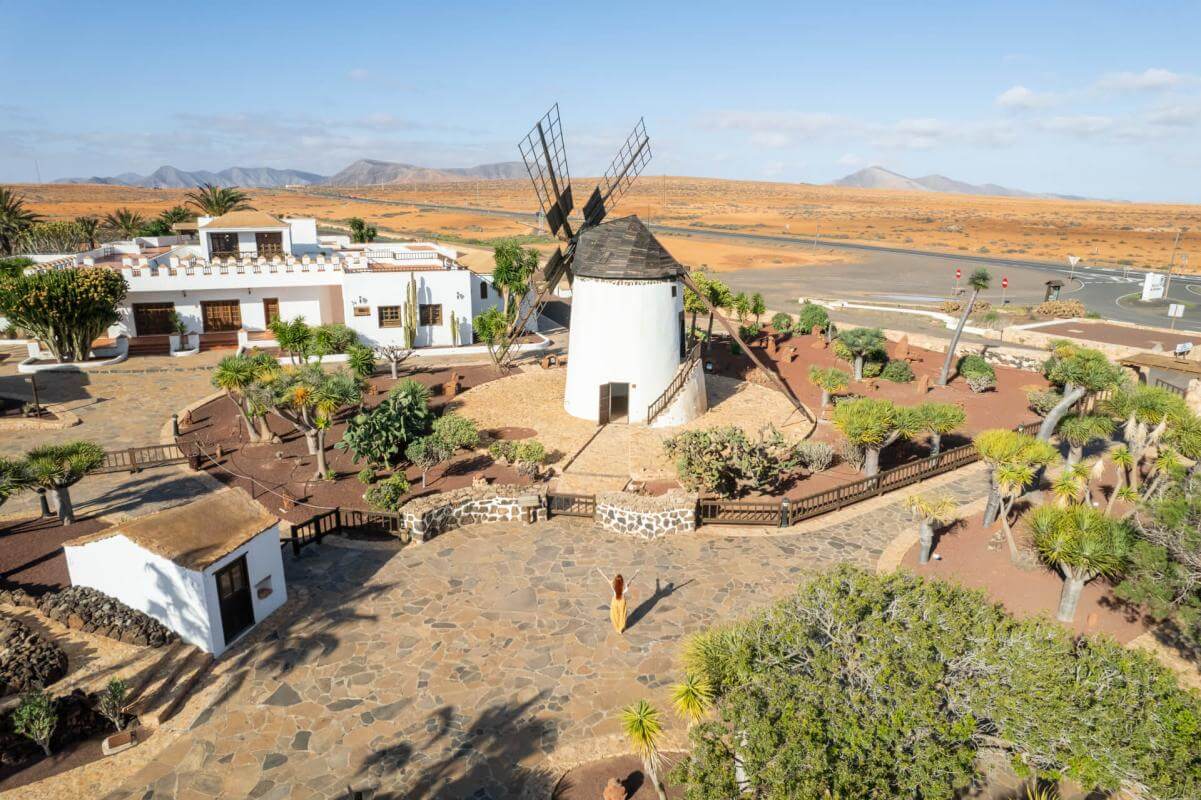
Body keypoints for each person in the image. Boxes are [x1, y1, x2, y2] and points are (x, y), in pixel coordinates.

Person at [598, 568, 638, 634]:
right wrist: (636, 573)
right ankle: (621, 628)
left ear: (615, 581)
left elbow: (606, 577)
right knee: (622, 615)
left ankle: (617, 627)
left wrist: (600, 571)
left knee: (614, 614)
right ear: (622, 581)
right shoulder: (625, 586)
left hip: (615, 601)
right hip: (622, 602)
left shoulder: (613, 585)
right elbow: (631, 579)